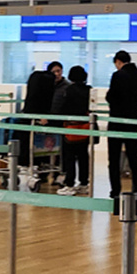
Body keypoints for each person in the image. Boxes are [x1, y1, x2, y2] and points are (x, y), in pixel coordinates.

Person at [106, 50, 137, 198]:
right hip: (133, 122)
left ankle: (115, 191)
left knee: (114, 159)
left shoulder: (117, 75)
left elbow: (111, 97)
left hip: (116, 122)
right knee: (133, 158)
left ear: (118, 62)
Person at [57, 65, 92, 195]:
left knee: (69, 157)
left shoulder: (69, 90)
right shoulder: (89, 90)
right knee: (83, 156)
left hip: (71, 127)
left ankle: (70, 184)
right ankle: (84, 183)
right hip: (85, 127)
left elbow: (64, 108)